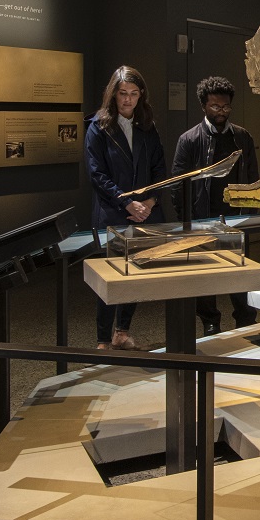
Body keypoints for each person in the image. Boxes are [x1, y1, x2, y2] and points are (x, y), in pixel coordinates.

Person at [85, 65, 167, 350]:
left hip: (144, 212)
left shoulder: (147, 125)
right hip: (112, 214)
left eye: (133, 94)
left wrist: (150, 201)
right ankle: (102, 339)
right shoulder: (98, 126)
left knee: (135, 273)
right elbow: (97, 176)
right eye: (122, 94)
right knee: (112, 276)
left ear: (140, 95)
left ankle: (122, 331)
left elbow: (159, 168)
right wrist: (126, 203)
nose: (128, 100)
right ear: (113, 94)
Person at [171, 76, 260, 336]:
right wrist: (187, 221)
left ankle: (246, 319)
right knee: (206, 273)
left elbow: (253, 178)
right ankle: (210, 321)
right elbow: (178, 184)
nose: (221, 112)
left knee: (239, 273)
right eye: (215, 107)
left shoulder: (242, 137)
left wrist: (250, 216)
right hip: (202, 218)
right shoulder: (188, 140)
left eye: (225, 107)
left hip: (234, 218)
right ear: (204, 106)